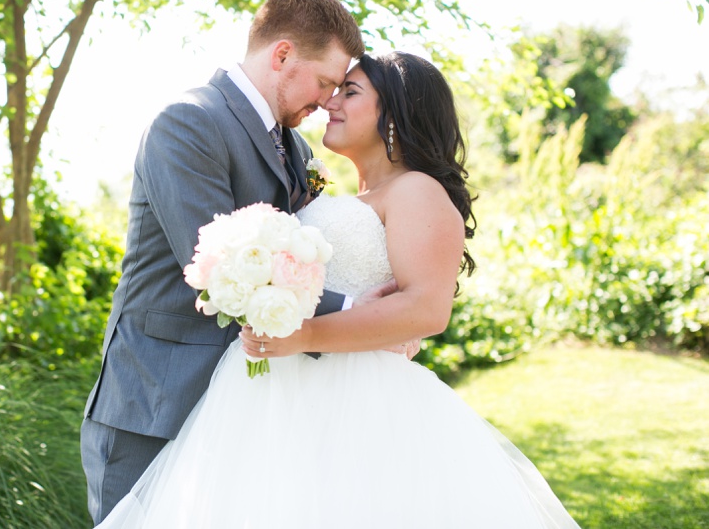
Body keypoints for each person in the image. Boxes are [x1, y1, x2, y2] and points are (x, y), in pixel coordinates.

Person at [94, 52, 582, 528]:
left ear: (395, 114)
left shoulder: (417, 191)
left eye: (350, 91)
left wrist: (304, 336)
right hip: (273, 397)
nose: (331, 102)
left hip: (354, 402)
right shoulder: (349, 193)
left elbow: (428, 310)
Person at [80, 0, 393, 526]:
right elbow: (225, 269)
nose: (326, 101)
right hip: (156, 402)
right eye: (323, 82)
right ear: (282, 55)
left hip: (247, 410)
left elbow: (304, 255)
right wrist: (357, 313)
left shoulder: (295, 149)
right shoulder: (188, 122)